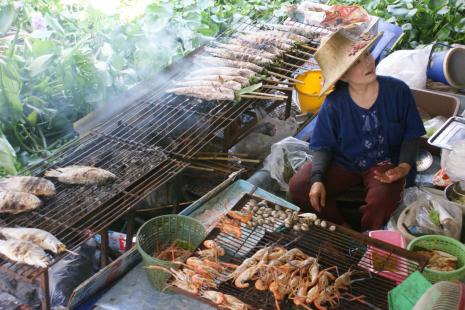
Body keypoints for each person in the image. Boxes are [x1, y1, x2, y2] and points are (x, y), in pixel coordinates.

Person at [288, 29, 426, 231]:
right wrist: (317, 179)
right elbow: (322, 145)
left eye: (367, 55)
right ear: (343, 76)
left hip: (385, 163)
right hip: (345, 162)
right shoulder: (334, 104)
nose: (368, 63)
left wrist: (404, 167)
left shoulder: (398, 91)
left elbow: (411, 134)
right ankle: (342, 230)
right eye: (357, 63)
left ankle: (367, 235)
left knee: (382, 198)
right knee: (299, 186)